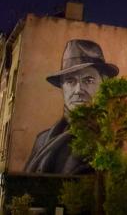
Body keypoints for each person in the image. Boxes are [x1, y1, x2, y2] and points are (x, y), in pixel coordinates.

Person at [24, 39, 119, 174]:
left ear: (103, 84)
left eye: (89, 80)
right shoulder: (42, 140)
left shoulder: (113, 136)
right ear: (62, 87)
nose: (78, 90)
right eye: (70, 81)